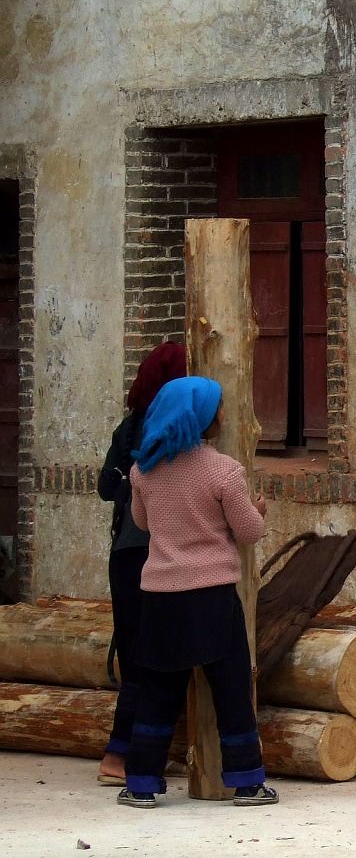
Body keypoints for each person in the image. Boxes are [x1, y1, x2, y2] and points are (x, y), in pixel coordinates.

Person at [117, 375, 277, 808]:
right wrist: (258, 511)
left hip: (160, 596)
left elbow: (145, 524)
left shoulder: (143, 470)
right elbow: (248, 531)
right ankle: (246, 780)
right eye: (218, 407)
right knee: (230, 687)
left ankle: (142, 782)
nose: (222, 413)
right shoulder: (224, 470)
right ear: (202, 418)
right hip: (211, 596)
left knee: (158, 689)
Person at [96, 341, 187, 786]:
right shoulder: (179, 427)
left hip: (125, 555)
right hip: (159, 555)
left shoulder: (129, 427)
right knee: (151, 660)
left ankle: (131, 754)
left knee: (137, 657)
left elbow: (103, 489)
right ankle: (120, 757)